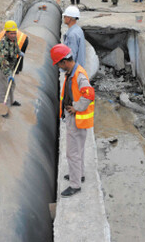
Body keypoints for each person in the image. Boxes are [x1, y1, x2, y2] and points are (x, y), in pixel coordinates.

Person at [50, 44, 95, 197]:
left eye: (58, 64)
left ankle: (75, 184)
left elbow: (89, 94)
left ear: (64, 61)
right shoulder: (72, 72)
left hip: (77, 120)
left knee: (72, 153)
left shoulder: (79, 75)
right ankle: (79, 174)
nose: (59, 67)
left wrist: (76, 107)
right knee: (78, 150)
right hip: (77, 120)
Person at [0, 20, 24, 117]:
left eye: (15, 33)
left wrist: (19, 52)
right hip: (2, 69)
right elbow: (3, 62)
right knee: (3, 89)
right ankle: (3, 110)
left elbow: (15, 46)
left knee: (12, 85)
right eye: (11, 33)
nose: (14, 35)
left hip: (10, 67)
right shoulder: (3, 44)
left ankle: (11, 101)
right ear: (6, 33)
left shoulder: (13, 39)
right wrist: (9, 74)